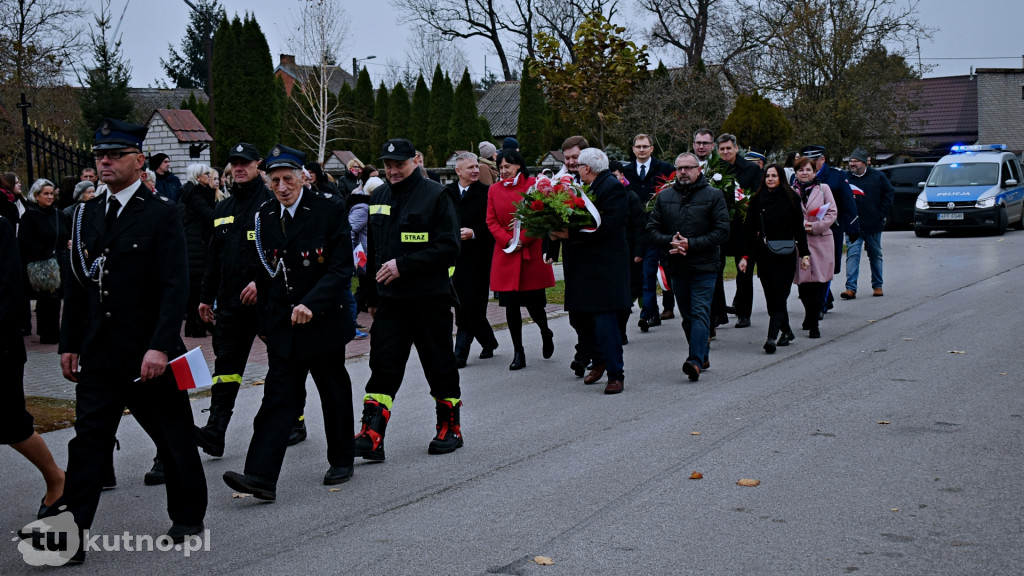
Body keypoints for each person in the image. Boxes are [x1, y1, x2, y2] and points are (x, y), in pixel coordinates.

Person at [52, 118, 207, 561]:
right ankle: (69, 535)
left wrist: (160, 344)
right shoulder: (84, 214)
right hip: (101, 352)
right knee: (88, 443)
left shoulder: (161, 213)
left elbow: (174, 286)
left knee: (172, 435)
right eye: (100, 154)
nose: (105, 161)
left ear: (140, 161)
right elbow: (77, 288)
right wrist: (69, 343)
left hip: (148, 352)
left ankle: (188, 513)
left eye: (115, 154)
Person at [222, 144, 356, 501]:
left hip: (324, 321)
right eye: (275, 180)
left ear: (303, 178)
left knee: (333, 392)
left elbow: (342, 268)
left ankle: (342, 458)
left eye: (287, 179)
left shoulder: (328, 209)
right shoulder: (264, 216)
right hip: (284, 326)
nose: (282, 187)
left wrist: (312, 303)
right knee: (278, 397)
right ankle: (260, 476)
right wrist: (266, 323)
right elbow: (264, 273)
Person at [353, 138, 463, 462]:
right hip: (391, 303)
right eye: (387, 165)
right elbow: (375, 251)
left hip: (430, 300)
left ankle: (450, 428)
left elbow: (449, 247)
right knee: (382, 366)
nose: (392, 170)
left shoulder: (436, 195)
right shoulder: (379, 196)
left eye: (398, 164)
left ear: (416, 159)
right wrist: (371, 297)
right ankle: (371, 434)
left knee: (439, 366)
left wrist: (404, 265)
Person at [196, 143, 308, 457]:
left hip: (269, 301)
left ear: (258, 164)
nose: (239, 168)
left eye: (245, 162)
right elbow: (213, 258)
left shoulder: (271, 201)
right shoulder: (223, 208)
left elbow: (287, 250)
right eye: (234, 163)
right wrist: (206, 297)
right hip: (230, 303)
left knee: (281, 362)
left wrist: (263, 282)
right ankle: (216, 430)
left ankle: (295, 420)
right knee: (226, 366)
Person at [1, 214, 65, 521]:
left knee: (12, 424)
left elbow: (10, 289)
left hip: (1, 347)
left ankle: (56, 478)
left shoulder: (1, 226)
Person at [551, 148, 630, 394]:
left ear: (587, 168)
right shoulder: (588, 186)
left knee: (605, 323)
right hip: (582, 267)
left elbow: (608, 226)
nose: (575, 169)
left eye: (578, 165)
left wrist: (570, 233)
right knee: (579, 318)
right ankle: (599, 359)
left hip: (604, 268)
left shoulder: (611, 187)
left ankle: (616, 373)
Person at [646, 152, 730, 381]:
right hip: (677, 265)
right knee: (687, 316)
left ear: (698, 170)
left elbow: (722, 231)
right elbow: (652, 229)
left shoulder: (714, 195)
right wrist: (671, 241)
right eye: (680, 168)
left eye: (688, 168)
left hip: (704, 266)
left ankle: (694, 360)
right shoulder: (664, 197)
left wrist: (691, 244)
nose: (683, 172)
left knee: (700, 312)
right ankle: (703, 354)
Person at [485, 149, 556, 371]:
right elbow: (491, 220)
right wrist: (507, 241)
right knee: (511, 307)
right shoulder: (494, 190)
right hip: (506, 254)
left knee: (535, 306)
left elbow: (543, 216)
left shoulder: (533, 185)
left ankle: (546, 331)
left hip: (529, 254)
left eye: (507, 166)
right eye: (501, 167)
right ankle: (519, 351)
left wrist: (524, 239)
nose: (503, 171)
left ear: (518, 165)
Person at [738, 164, 810, 353]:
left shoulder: (791, 197)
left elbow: (799, 228)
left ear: (781, 178)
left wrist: (804, 253)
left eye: (774, 175)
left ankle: (771, 337)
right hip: (764, 254)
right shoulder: (757, 199)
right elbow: (748, 230)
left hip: (785, 254)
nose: (770, 179)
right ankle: (786, 330)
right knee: (772, 297)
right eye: (767, 176)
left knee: (780, 295)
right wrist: (745, 256)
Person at [447, 152, 499, 367]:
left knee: (470, 303)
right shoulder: (446, 192)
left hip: (479, 257)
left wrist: (474, 232)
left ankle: (459, 354)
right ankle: (489, 341)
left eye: (477, 166)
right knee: (467, 304)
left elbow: (493, 225)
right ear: (458, 171)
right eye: (470, 167)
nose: (475, 170)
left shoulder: (486, 193)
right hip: (453, 257)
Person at [799, 145, 859, 316]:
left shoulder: (835, 176)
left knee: (826, 267)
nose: (811, 164)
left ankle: (821, 303)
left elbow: (848, 202)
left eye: (815, 160)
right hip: (804, 231)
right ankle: (823, 300)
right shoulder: (797, 180)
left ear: (823, 159)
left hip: (831, 229)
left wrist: (853, 226)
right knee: (807, 266)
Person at [624, 134, 675, 332]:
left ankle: (666, 307)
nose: (642, 149)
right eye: (639, 146)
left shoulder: (665, 169)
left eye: (645, 146)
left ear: (652, 148)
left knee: (664, 271)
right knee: (646, 272)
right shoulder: (627, 171)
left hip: (661, 227)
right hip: (638, 229)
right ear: (633, 149)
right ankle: (649, 313)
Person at [715, 133, 761, 330]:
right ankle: (718, 313)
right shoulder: (714, 169)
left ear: (736, 148)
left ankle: (743, 312)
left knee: (744, 272)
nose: (725, 152)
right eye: (722, 149)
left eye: (729, 148)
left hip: (743, 227)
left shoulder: (751, 169)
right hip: (720, 228)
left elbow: (757, 197)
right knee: (716, 269)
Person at [18, 179, 70, 344]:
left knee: (55, 299)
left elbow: (65, 233)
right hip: (40, 262)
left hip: (59, 260)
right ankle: (49, 333)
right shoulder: (30, 215)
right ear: (36, 196)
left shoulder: (58, 213)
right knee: (47, 298)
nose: (49, 197)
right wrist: (43, 252)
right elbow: (25, 240)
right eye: (45, 194)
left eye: (51, 193)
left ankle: (53, 331)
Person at [791, 156, 837, 339]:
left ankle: (814, 321)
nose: (804, 173)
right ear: (796, 172)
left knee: (819, 282)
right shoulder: (791, 191)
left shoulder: (824, 189)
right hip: (800, 242)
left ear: (814, 172)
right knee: (803, 284)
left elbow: (832, 212)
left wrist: (816, 226)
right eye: (801, 170)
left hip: (821, 240)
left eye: (808, 170)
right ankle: (809, 314)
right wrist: (801, 226)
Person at [842, 147, 892, 298]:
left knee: (875, 255)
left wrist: (880, 214)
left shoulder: (878, 177)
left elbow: (889, 196)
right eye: (851, 161)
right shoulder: (845, 178)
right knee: (852, 255)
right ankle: (850, 288)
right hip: (853, 226)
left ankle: (877, 286)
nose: (852, 164)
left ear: (864, 163)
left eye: (856, 161)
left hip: (873, 225)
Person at [180, 163, 217, 338]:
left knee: (198, 288)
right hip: (197, 246)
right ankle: (197, 326)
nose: (209, 177)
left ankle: (199, 325)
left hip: (197, 243)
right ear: (198, 176)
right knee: (198, 288)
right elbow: (209, 216)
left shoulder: (193, 192)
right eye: (206, 174)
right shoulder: (195, 195)